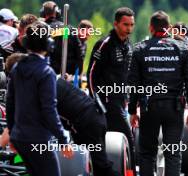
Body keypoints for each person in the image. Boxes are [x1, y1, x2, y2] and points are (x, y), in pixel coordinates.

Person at [128, 11, 188, 176]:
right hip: (174, 108)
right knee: (173, 153)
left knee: (147, 153)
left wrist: (132, 110)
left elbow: (133, 83)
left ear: (150, 28)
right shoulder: (183, 48)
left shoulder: (139, 49)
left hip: (149, 108)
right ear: (170, 28)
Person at [5, 21, 73, 176]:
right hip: (39, 139)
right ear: (48, 43)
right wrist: (63, 140)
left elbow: (10, 104)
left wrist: (13, 134)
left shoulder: (17, 68)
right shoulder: (46, 72)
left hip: (20, 138)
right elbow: (49, 110)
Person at [87, 7, 136, 174]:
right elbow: (91, 74)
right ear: (115, 24)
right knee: (126, 140)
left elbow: (128, 75)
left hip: (121, 101)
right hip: (105, 102)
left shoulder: (129, 45)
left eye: (131, 25)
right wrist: (97, 102)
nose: (129, 28)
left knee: (122, 143)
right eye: (125, 24)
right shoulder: (104, 43)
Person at [41, 1, 83, 75]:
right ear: (57, 12)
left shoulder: (41, 30)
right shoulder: (69, 29)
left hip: (46, 73)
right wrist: (77, 74)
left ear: (43, 13)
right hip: (68, 76)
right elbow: (79, 54)